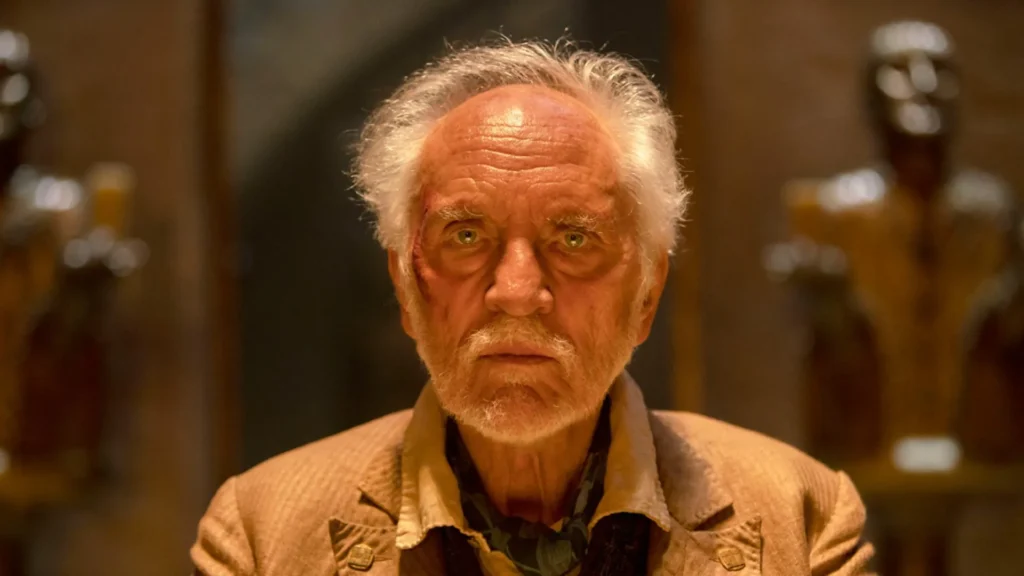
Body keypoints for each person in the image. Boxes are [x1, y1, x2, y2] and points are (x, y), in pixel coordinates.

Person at [191, 40, 874, 575]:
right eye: (465, 236)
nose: (517, 293)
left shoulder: (803, 519)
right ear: (404, 284)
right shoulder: (260, 535)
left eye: (573, 238)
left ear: (647, 293)